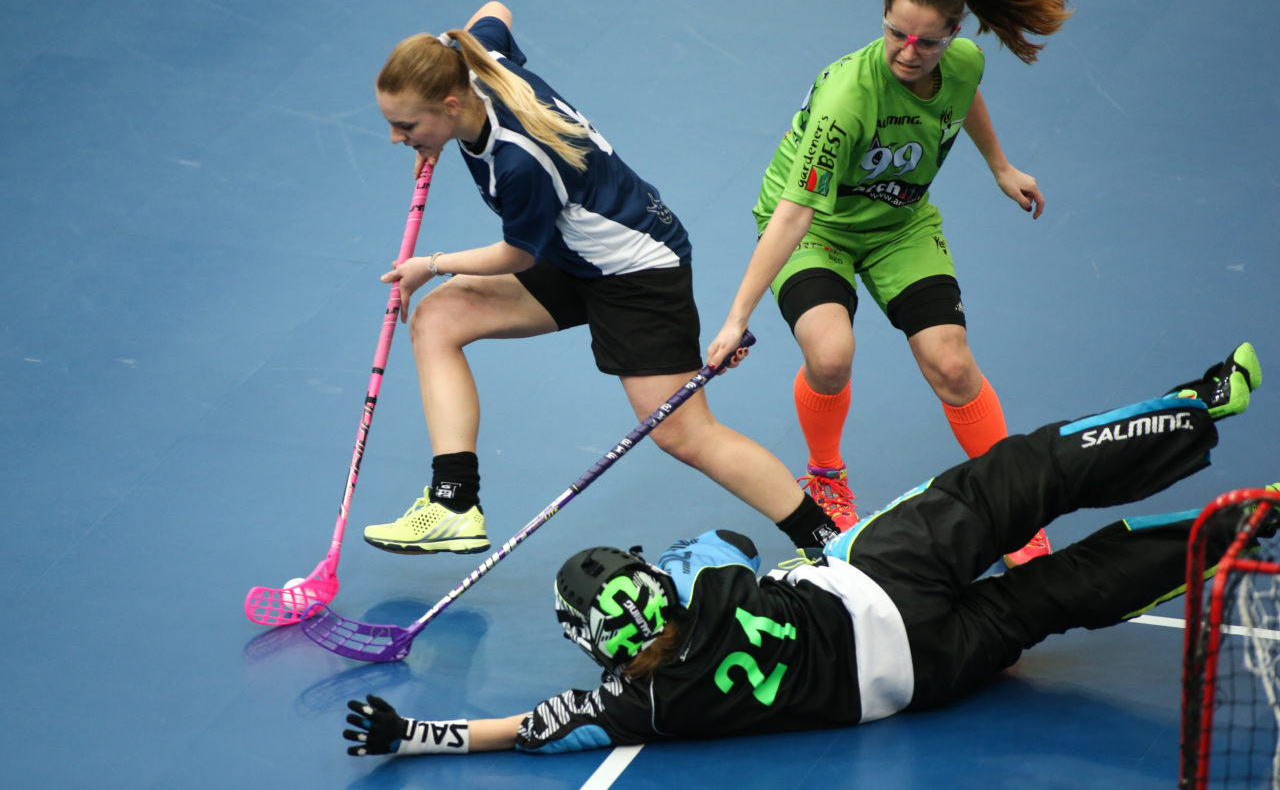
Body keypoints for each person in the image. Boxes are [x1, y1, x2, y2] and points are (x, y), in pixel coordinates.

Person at [341, 343, 1266, 757]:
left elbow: (527, 730)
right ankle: (1194, 408)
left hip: (921, 676)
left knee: (1067, 591)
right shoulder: (705, 578)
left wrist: (412, 736)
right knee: (1024, 476)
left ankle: (1251, 523)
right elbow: (736, 536)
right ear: (650, 581)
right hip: (881, 572)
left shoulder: (640, 704)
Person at [361, 1, 841, 557]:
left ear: (450, 105)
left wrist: (432, 264)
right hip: (576, 254)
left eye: (406, 127)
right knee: (438, 319)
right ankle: (454, 504)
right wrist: (434, 133)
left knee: (685, 435)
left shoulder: (519, 159)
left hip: (636, 273)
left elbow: (518, 255)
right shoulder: (476, 62)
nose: (395, 138)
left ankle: (826, 538)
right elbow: (495, 10)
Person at [706, 0, 1073, 564]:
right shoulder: (847, 99)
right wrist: (735, 318)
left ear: (953, 34)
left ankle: (1012, 504)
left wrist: (1000, 166)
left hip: (900, 226)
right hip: (818, 227)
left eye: (927, 42)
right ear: (882, 17)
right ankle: (825, 476)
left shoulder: (963, 62)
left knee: (952, 364)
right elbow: (793, 215)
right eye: (896, 33)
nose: (908, 51)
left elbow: (963, 98)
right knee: (830, 355)